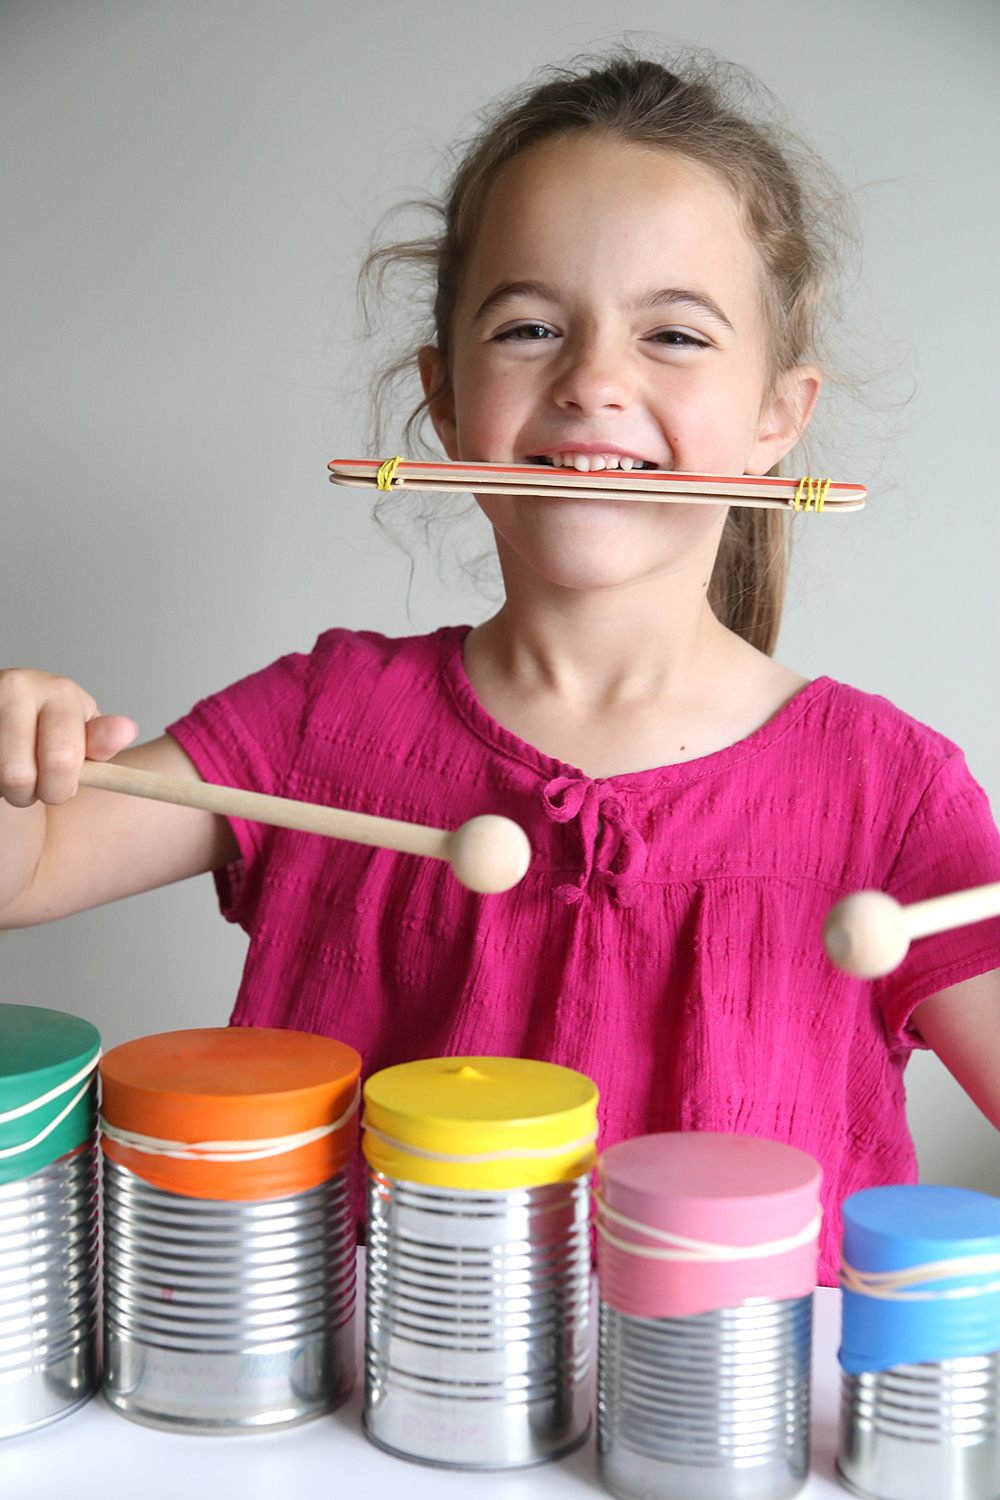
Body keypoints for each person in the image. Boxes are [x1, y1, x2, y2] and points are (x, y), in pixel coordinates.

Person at [1, 54, 998, 1282]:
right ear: (445, 395)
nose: (593, 382)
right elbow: (27, 867)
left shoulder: (885, 790)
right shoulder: (325, 722)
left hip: (722, 1446)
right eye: (530, 328)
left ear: (777, 420)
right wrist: (15, 756)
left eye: (673, 335)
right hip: (364, 1441)